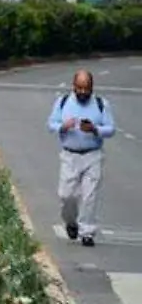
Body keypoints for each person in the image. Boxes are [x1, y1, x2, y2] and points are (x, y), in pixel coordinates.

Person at [47, 69, 115, 246]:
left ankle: (87, 232)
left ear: (92, 87)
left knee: (89, 196)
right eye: (80, 88)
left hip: (93, 155)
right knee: (66, 195)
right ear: (74, 86)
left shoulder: (101, 104)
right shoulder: (63, 102)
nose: (83, 92)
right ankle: (71, 222)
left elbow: (111, 129)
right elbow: (51, 124)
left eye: (87, 88)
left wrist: (95, 129)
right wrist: (64, 126)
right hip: (69, 155)